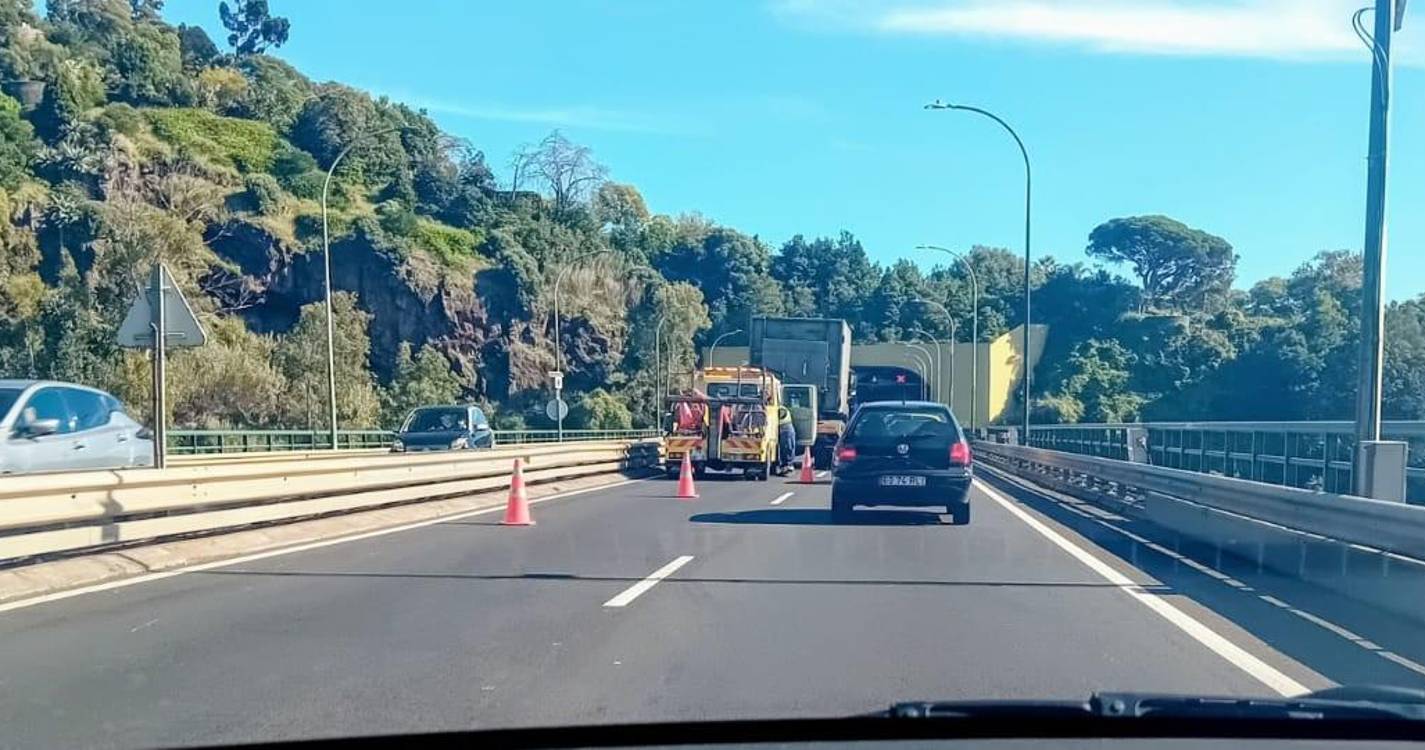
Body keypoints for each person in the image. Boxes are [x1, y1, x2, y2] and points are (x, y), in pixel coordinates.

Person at [776, 405, 797, 475]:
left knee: (787, 447)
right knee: (784, 448)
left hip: (785, 429)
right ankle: (784, 466)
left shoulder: (781, 409)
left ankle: (787, 466)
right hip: (782, 430)